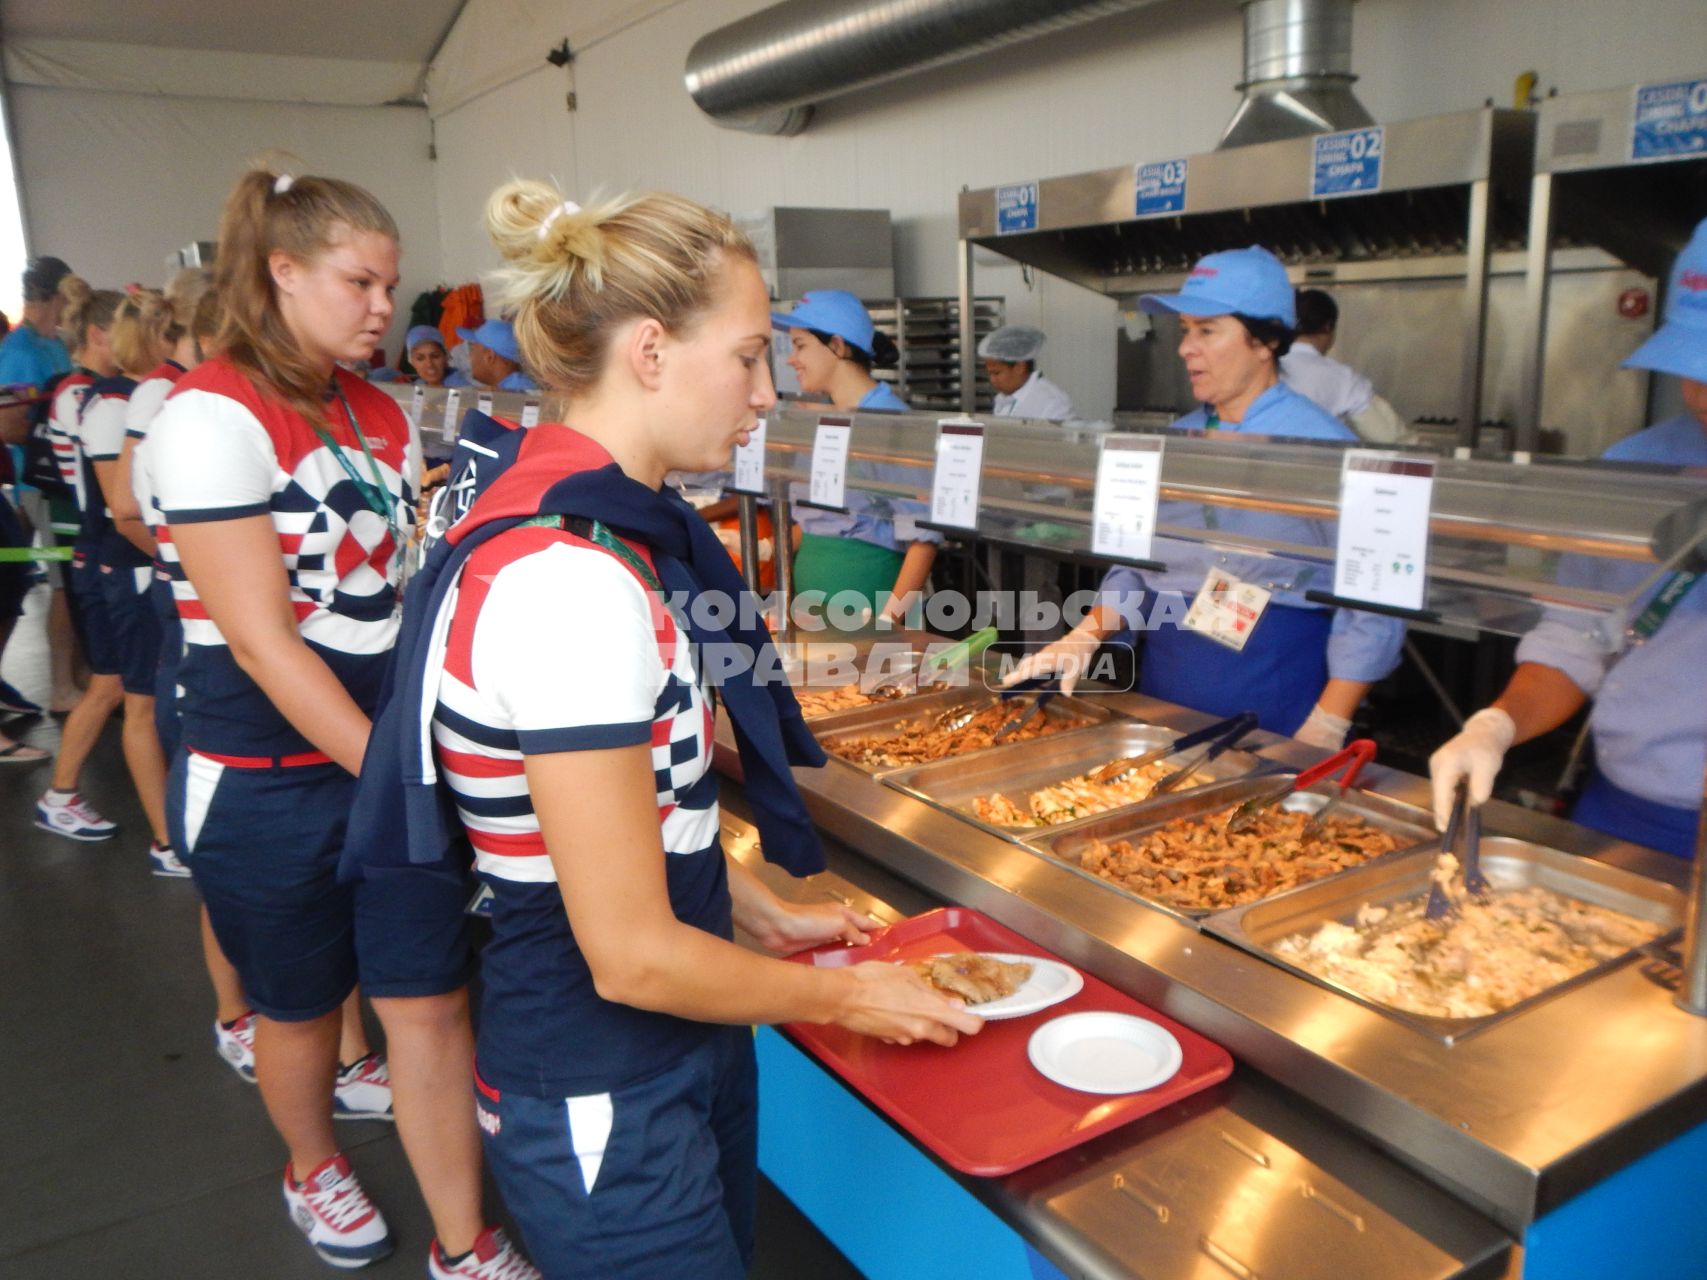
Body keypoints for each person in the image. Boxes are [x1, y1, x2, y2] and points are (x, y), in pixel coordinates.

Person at [372, 180, 980, 1279]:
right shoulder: (571, 582)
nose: (764, 393)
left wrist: (755, 911)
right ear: (649, 351)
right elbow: (633, 954)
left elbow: (629, 819)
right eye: (748, 356)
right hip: (608, 1077)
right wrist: (847, 994)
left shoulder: (603, 537)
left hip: (668, 1054)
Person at [147, 167, 535, 1278]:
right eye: (359, 281)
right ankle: (310, 1160)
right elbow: (267, 642)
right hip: (268, 773)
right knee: (303, 1007)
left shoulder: (376, 408)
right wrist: (399, 778)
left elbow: (408, 588)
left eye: (391, 283)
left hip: (384, 757)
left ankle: (464, 1242)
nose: (385, 307)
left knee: (426, 1001)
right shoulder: (212, 413)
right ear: (281, 272)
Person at [1005, 247, 1403, 746]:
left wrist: (1329, 721)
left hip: (1274, 694)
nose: (1185, 348)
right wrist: (1086, 634)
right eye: (1185, 331)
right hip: (1169, 678)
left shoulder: (1326, 449)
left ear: (1266, 340)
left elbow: (1375, 605)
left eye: (1207, 331)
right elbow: (1135, 559)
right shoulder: (1180, 441)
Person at [1429, 218, 1707, 859]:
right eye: (1688, 367)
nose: (1695, 393)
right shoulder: (1638, 469)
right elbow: (1578, 636)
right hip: (1626, 813)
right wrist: (1496, 725)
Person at [65, 289, 178, 872]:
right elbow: (120, 505)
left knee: (130, 694)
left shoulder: (128, 398)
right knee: (133, 699)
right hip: (124, 567)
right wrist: (176, 561)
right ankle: (165, 839)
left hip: (130, 565)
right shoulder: (115, 404)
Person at [774, 289, 940, 625]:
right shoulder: (828, 421)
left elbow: (923, 540)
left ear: (837, 345)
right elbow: (814, 520)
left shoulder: (889, 423)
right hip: (811, 605)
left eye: (800, 345)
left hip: (868, 599)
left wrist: (887, 624)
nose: (792, 359)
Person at [33, 285, 130, 818]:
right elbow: (100, 490)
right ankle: (61, 791)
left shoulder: (97, 390)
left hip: (102, 544)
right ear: (98, 334)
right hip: (101, 546)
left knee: (126, 688)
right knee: (112, 684)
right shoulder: (84, 393)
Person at [0, 255, 76, 733]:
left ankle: (76, 676)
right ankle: (63, 687)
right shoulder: (21, 351)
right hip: (37, 489)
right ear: (53, 296)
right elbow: (13, 426)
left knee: (36, 580)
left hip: (62, 485)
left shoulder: (53, 345)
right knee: (58, 579)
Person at [1281, 288, 1406, 444]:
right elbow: (1390, 435)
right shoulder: (1343, 378)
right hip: (1320, 465)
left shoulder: (1265, 367)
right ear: (1328, 327)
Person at [977, 324, 1075, 420]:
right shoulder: (1004, 397)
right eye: (990, 374)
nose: (992, 380)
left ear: (1019, 367)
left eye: (996, 373)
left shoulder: (1054, 404)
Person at [456, 317, 536, 392]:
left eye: (472, 349)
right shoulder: (514, 386)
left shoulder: (514, 393)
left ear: (490, 357)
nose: (470, 356)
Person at [406, 323, 471, 388]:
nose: (429, 364)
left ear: (446, 357)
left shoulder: (463, 389)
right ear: (412, 361)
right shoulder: (415, 387)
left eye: (435, 356)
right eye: (420, 358)